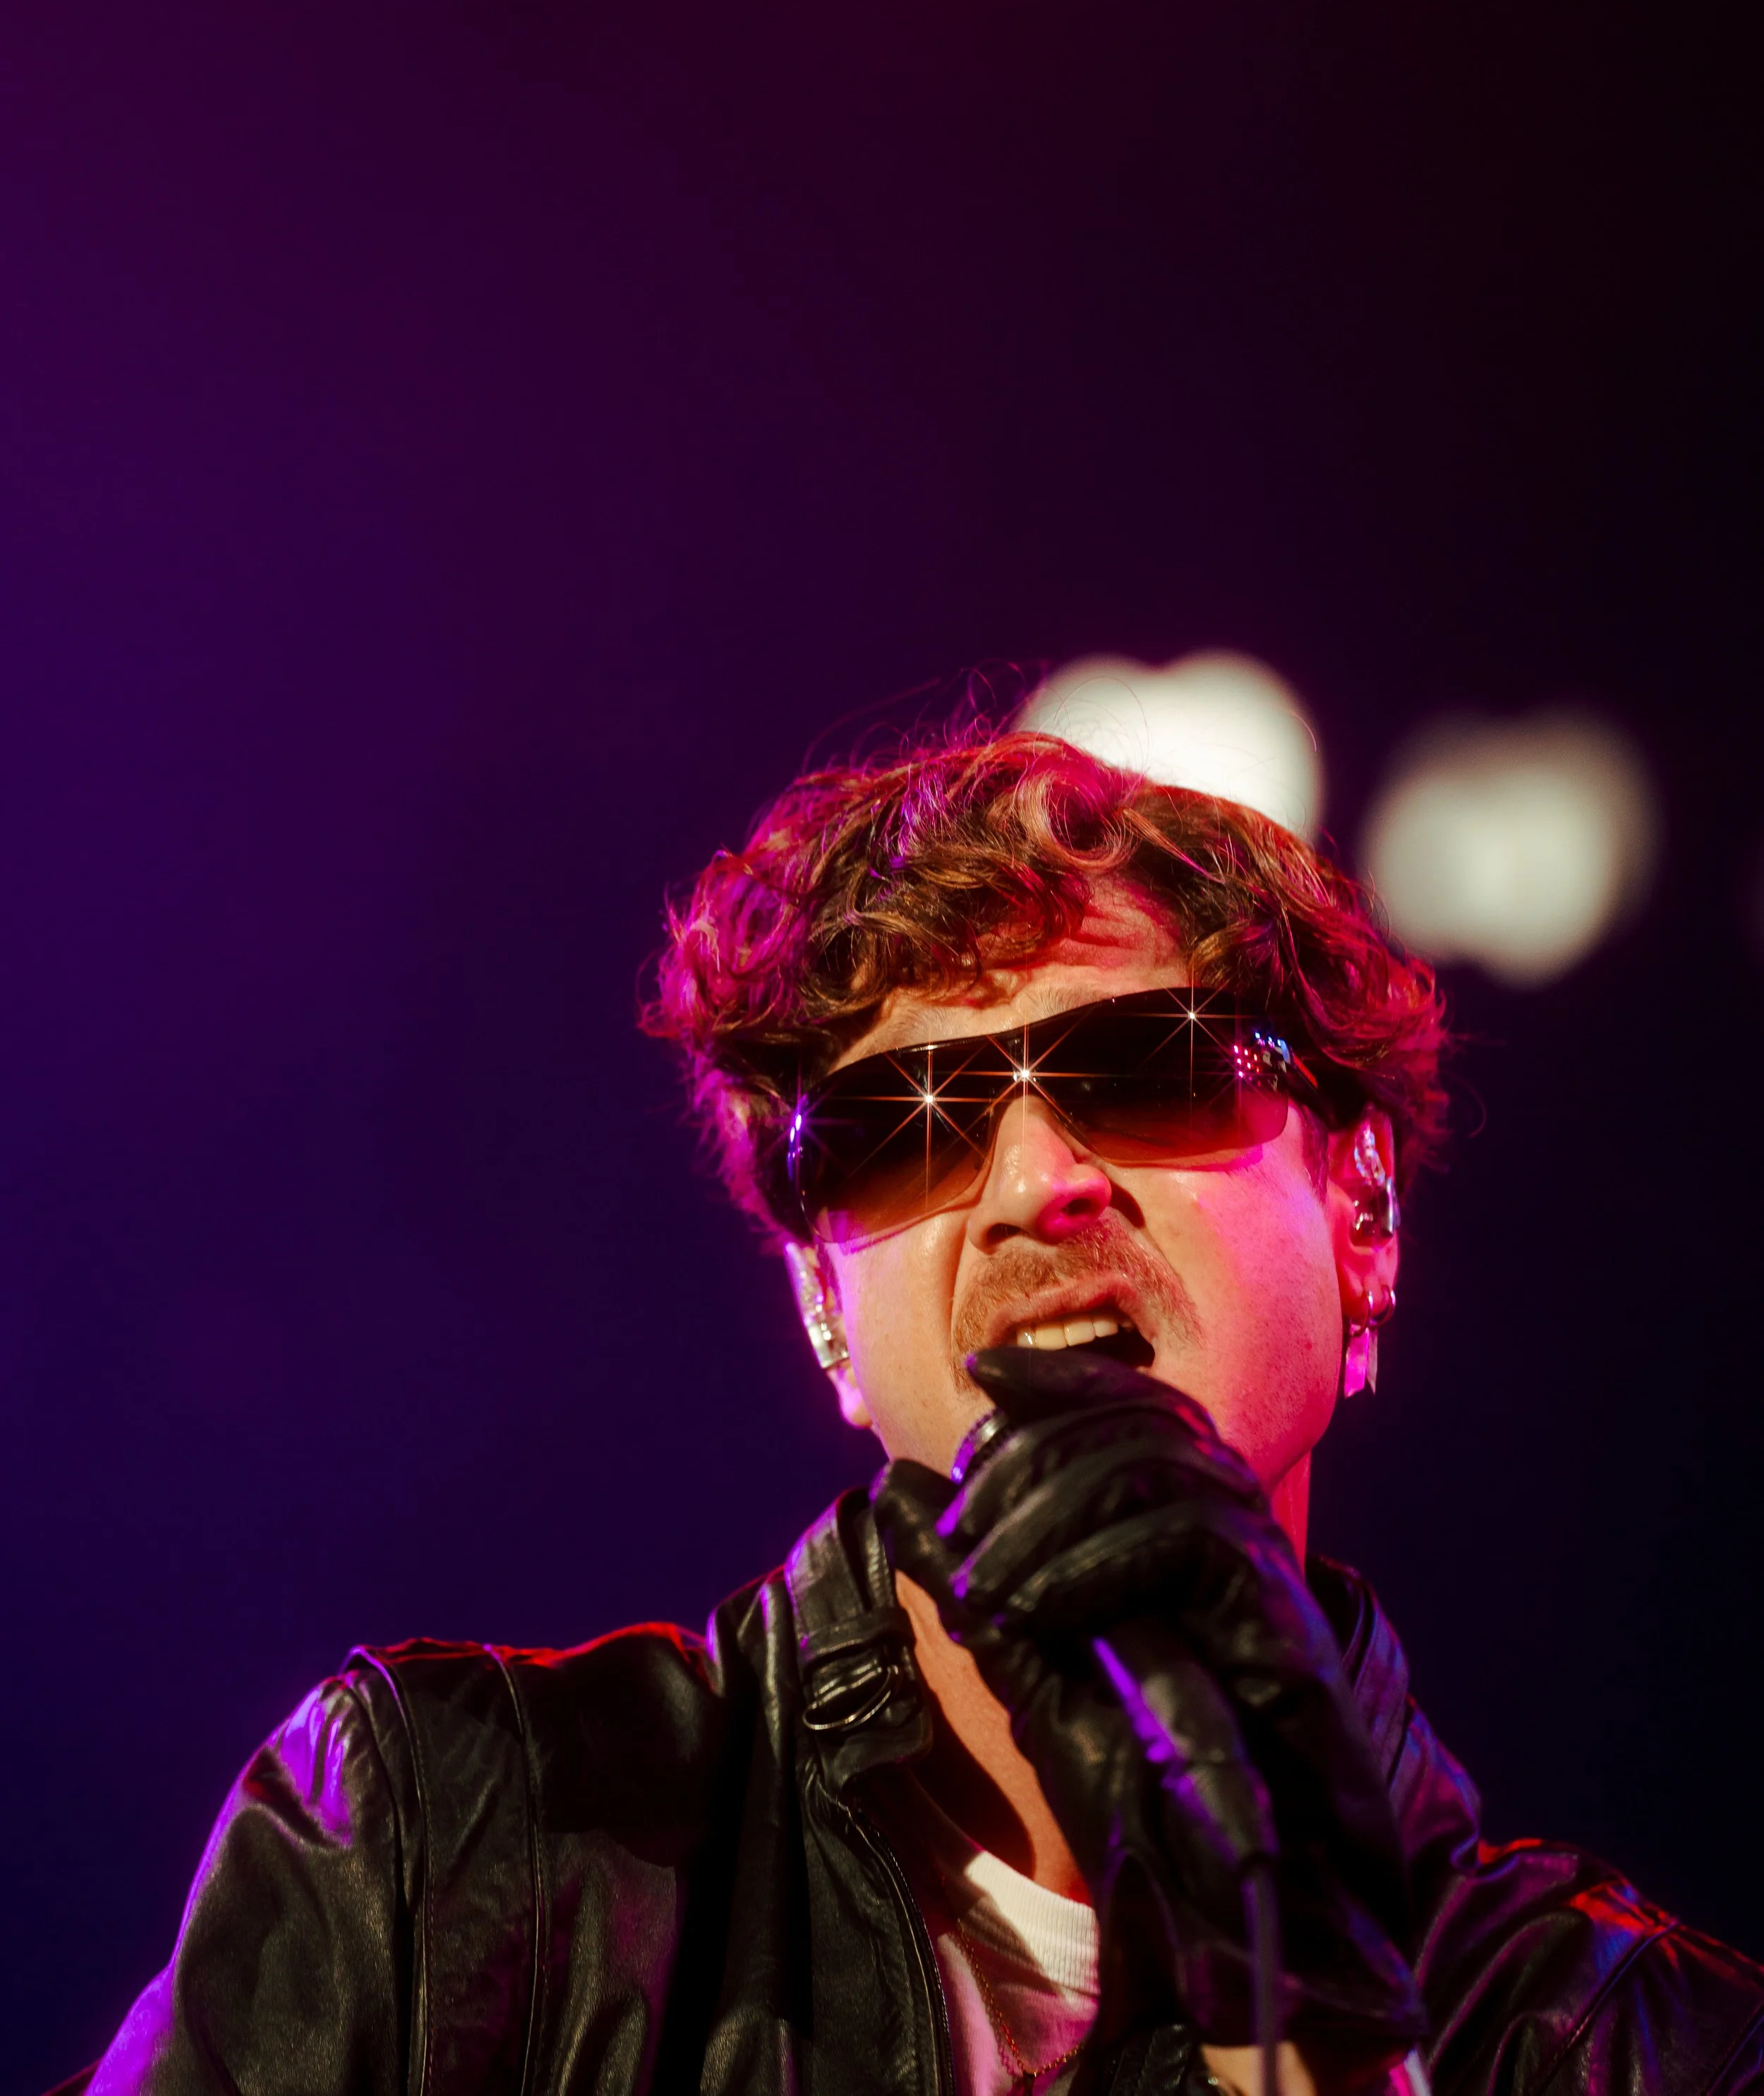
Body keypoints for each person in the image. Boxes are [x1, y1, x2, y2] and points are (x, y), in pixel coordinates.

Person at [69, 733, 1764, 2096]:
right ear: (822, 1303)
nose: (1037, 1185)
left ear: (1364, 1216)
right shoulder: (450, 1852)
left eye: (1149, 1068)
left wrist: (1312, 2005)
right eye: (905, 1124)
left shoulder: (1638, 2049)